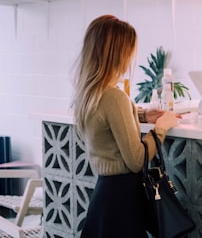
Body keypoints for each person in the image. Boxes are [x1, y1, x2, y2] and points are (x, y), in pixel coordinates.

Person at [71, 15, 180, 238]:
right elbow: (136, 160)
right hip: (122, 200)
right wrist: (161, 128)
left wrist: (139, 115)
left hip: (104, 196)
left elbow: (105, 121)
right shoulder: (114, 97)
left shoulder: (89, 94)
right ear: (119, 54)